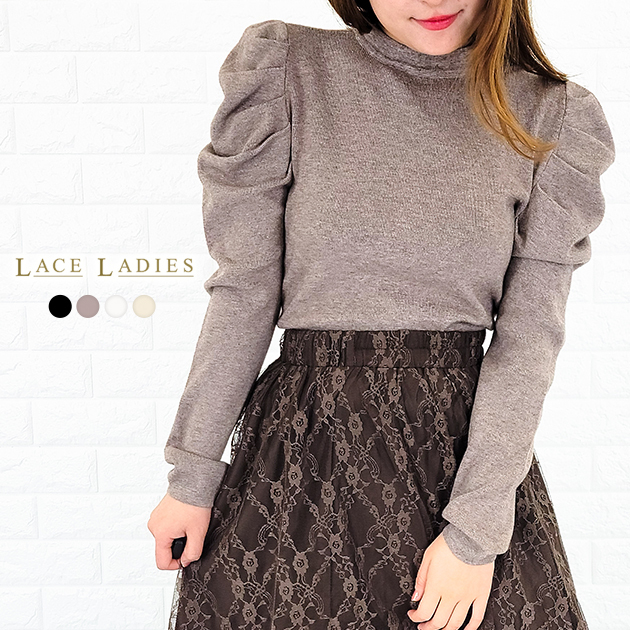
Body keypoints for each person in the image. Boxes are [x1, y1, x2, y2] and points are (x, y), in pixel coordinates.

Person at [147, 0, 615, 628]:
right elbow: (245, 292)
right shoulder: (288, 73)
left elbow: (528, 340)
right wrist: (193, 474)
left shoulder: (550, 114)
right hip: (300, 455)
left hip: (457, 465)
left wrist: (474, 535)